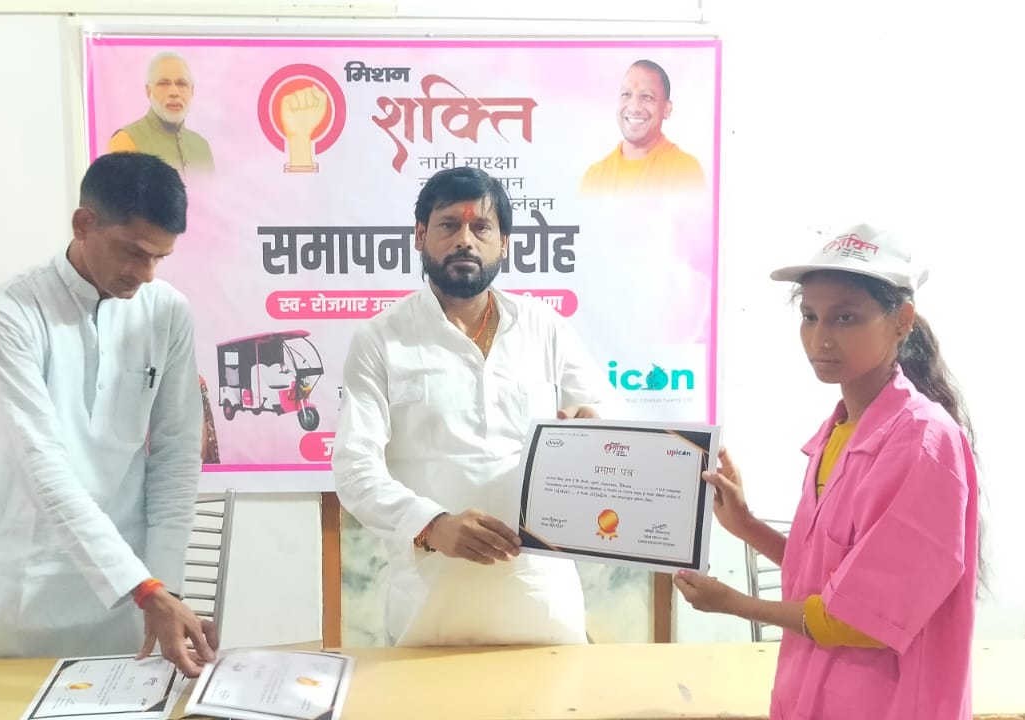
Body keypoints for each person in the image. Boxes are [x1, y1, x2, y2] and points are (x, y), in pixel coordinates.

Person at [672, 223, 980, 719]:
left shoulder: (924, 442)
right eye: (809, 317)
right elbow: (830, 576)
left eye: (845, 318)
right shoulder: (841, 431)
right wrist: (746, 525)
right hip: (815, 694)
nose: (820, 338)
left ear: (901, 321)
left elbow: (863, 616)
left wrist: (733, 603)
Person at [0, 152, 218, 677]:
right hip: (16, 594)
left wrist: (165, 586)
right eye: (132, 252)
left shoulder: (166, 312)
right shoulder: (9, 310)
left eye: (159, 258)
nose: (144, 274)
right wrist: (146, 589)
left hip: (120, 600)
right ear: (83, 224)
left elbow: (177, 454)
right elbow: (41, 464)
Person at [332, 165, 614, 647]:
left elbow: (605, 415)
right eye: (448, 225)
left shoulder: (544, 328)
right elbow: (354, 470)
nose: (465, 240)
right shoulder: (381, 339)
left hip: (541, 602)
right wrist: (432, 525)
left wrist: (597, 429)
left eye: (481, 228)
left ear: (504, 243)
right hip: (430, 609)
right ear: (420, 235)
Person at [578, 59, 705, 195]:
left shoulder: (684, 171)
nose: (633, 107)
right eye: (626, 94)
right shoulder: (594, 177)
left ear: (666, 109)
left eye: (646, 97)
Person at [108, 52, 215, 175]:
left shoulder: (202, 147)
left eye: (181, 84)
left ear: (192, 91)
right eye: (163, 84)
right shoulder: (126, 141)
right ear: (148, 91)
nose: (174, 92)